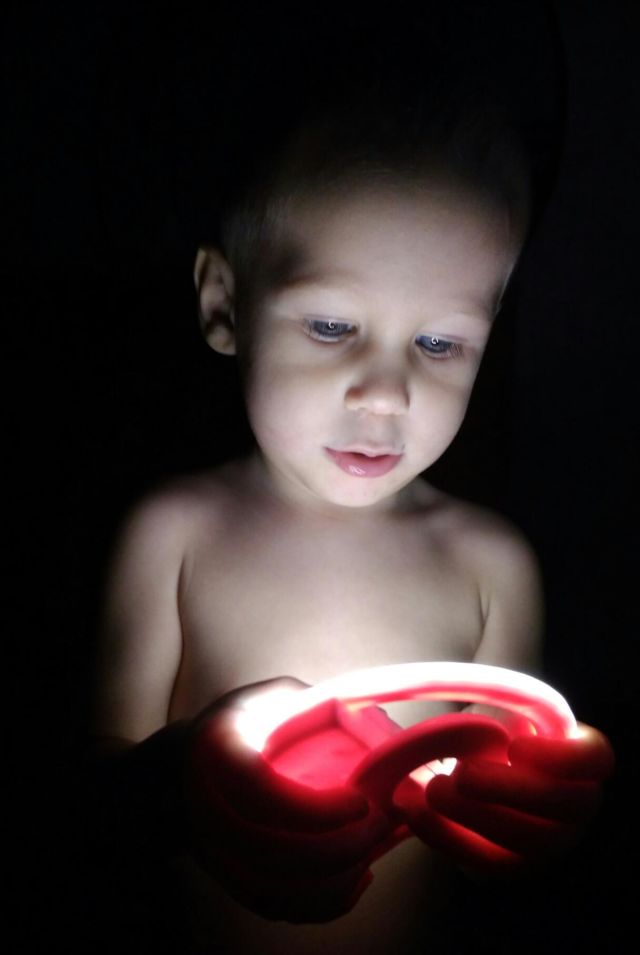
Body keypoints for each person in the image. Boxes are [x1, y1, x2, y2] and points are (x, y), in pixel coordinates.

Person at [86, 89, 612, 953]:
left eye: (439, 343)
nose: (387, 393)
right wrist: (181, 788)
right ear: (224, 303)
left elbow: (498, 830)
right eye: (333, 325)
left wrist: (538, 825)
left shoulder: (491, 566)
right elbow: (95, 807)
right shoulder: (174, 533)